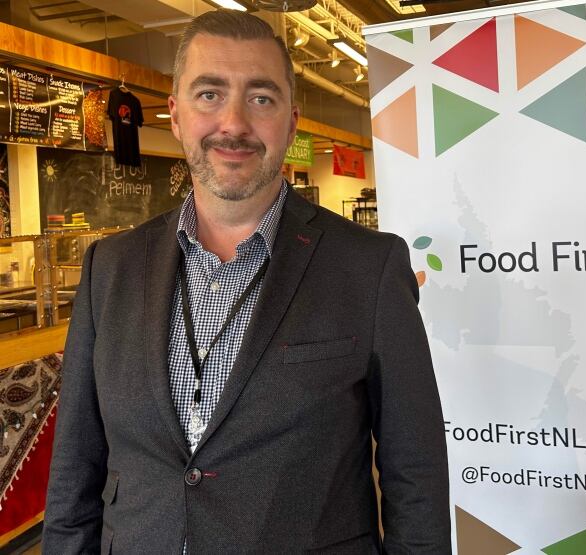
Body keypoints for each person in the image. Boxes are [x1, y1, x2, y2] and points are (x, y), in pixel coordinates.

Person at [42, 10, 450, 554]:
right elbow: (75, 467)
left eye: (260, 98)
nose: (233, 123)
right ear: (175, 114)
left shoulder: (369, 267)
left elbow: (415, 472)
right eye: (209, 94)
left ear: (292, 120)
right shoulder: (109, 268)